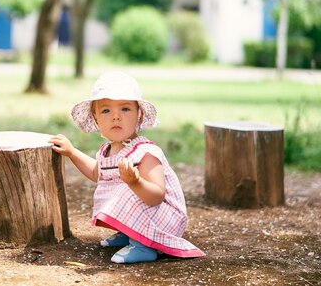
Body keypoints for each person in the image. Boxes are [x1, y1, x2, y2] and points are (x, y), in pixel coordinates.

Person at [50, 71, 205, 264]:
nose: (116, 117)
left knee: (126, 187)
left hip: (165, 220)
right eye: (106, 111)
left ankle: (143, 246)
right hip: (149, 215)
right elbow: (95, 173)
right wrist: (72, 152)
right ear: (96, 120)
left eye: (125, 109)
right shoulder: (107, 150)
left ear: (139, 117)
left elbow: (157, 195)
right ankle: (130, 232)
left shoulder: (145, 152)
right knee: (112, 186)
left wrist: (136, 181)